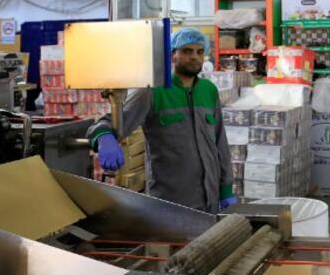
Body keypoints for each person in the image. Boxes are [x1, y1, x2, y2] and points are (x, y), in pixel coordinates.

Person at [87, 27, 236, 212]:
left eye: (199, 52)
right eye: (187, 51)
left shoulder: (208, 90)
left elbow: (220, 142)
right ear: (173, 55)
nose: (195, 57)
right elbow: (110, 122)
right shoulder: (152, 92)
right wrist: (103, 137)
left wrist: (226, 187)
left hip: (209, 197)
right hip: (170, 201)